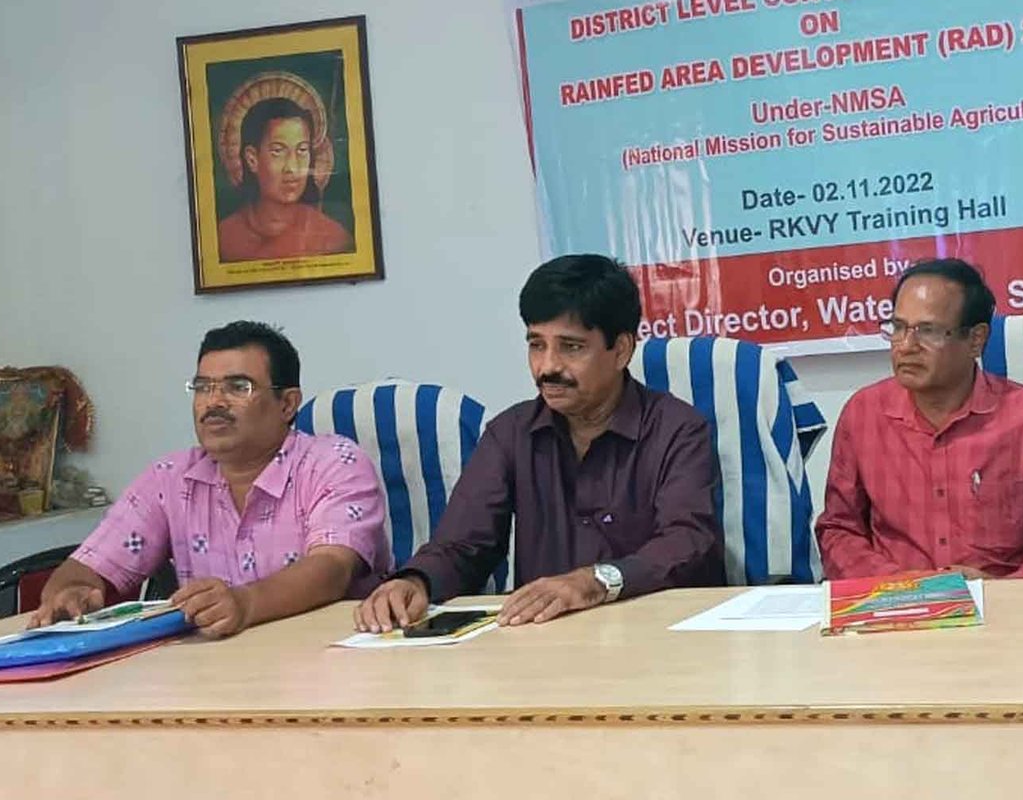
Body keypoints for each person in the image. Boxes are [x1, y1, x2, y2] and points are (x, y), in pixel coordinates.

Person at [355, 254, 723, 631]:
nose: (548, 366)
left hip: (657, 633)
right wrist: (415, 581)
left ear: (621, 350)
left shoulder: (677, 429)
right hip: (543, 640)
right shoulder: (510, 433)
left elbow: (686, 541)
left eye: (571, 347)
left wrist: (597, 581)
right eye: (536, 345)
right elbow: (463, 545)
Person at [29, 321, 389, 639]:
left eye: (238, 387)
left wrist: (245, 603)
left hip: (329, 659)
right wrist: (72, 591)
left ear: (287, 404)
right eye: (203, 387)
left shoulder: (333, 462)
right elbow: (86, 566)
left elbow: (332, 569)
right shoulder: (170, 479)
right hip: (212, 671)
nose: (214, 402)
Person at [816, 258, 1023, 579]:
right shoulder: (864, 414)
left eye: (928, 331)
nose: (906, 346)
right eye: (898, 328)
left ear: (976, 339)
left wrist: (1012, 586)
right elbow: (838, 530)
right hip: (896, 602)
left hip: (1011, 602)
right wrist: (896, 583)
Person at [217, 97, 354, 262]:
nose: (292, 167)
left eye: (302, 150)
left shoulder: (332, 239)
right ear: (252, 159)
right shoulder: (223, 238)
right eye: (278, 151)